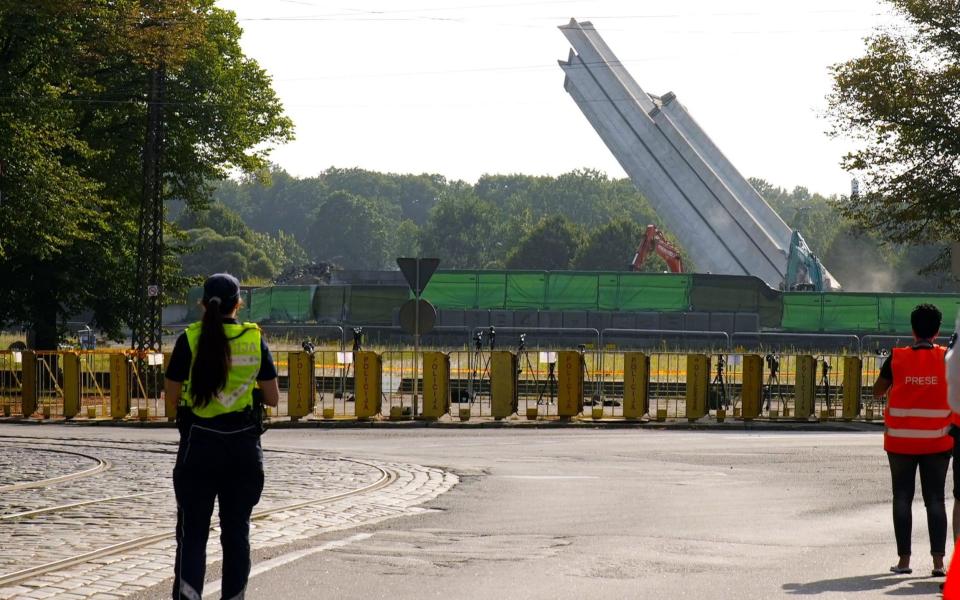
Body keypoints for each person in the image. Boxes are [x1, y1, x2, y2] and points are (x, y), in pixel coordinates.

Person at [164, 273, 279, 600]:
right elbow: (272, 398)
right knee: (236, 533)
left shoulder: (189, 339)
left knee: (193, 535)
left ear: (203, 303)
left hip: (198, 447)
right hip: (242, 448)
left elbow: (171, 396)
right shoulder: (254, 339)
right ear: (238, 303)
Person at [874, 303, 952, 577]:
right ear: (938, 331)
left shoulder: (897, 358)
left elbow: (877, 392)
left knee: (902, 497)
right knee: (936, 500)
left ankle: (905, 561)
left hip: (900, 442)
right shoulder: (947, 358)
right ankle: (938, 564)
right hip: (938, 442)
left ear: (912, 329)